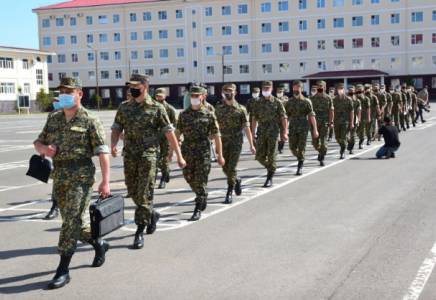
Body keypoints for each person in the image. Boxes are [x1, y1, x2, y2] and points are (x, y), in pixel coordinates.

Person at [34, 77, 111, 289]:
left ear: (79, 94)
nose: (64, 94)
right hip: (59, 176)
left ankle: (63, 270)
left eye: (69, 91)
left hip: (81, 177)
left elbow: (102, 152)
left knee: (70, 223)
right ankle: (99, 243)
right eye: (62, 91)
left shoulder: (90, 119)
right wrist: (44, 150)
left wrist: (106, 181)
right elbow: (38, 141)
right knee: (73, 221)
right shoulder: (54, 118)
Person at [111, 74, 186, 249]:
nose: (132, 88)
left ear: (145, 86)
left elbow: (169, 132)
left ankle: (139, 231)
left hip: (149, 152)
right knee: (132, 189)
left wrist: (179, 155)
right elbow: (116, 128)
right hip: (129, 152)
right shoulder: (124, 107)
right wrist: (114, 144)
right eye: (131, 86)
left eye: (136, 85)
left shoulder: (156, 108)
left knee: (145, 190)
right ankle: (151, 214)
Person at [172, 85, 225, 220]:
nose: (194, 98)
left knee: (201, 179)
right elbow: (177, 134)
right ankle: (202, 195)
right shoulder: (183, 115)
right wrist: (171, 152)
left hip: (203, 151)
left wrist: (220, 155)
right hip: (187, 150)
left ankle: (198, 205)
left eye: (197, 96)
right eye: (192, 96)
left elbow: (217, 135)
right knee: (188, 176)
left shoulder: (209, 114)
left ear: (202, 97)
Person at [215, 83, 256, 203]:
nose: (228, 93)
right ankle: (236, 179)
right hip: (223, 140)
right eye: (225, 91)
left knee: (232, 167)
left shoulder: (241, 109)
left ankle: (229, 192)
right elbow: (215, 126)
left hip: (236, 140)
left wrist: (251, 144)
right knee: (224, 166)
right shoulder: (219, 108)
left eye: (230, 91)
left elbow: (247, 128)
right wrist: (213, 137)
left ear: (235, 93)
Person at [251, 81, 287, 187]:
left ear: (271, 89)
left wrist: (285, 132)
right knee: (259, 156)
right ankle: (271, 167)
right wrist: (253, 133)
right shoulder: (257, 103)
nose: (266, 90)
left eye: (268, 89)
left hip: (273, 132)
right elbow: (254, 119)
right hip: (261, 131)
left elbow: (283, 117)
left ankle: (269, 177)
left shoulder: (277, 102)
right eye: (264, 89)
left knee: (272, 156)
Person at [285, 81, 318, 175]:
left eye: (298, 87)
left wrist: (315, 129)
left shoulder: (307, 101)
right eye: (294, 87)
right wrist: (285, 130)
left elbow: (311, 115)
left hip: (303, 126)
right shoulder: (289, 102)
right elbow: (286, 117)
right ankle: (301, 157)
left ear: (301, 89)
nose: (296, 89)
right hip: (293, 126)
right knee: (292, 147)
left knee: (301, 146)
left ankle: (300, 165)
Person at [153, 88, 178, 189]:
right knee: (155, 159)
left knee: (165, 158)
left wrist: (176, 139)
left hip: (166, 137)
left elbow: (176, 125)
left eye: (161, 96)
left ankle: (163, 176)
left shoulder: (170, 109)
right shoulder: (152, 107)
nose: (159, 97)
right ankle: (166, 172)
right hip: (154, 137)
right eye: (157, 96)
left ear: (165, 96)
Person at [44, 91, 62, 220]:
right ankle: (55, 207)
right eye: (54, 101)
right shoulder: (52, 116)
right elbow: (45, 136)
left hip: (74, 159)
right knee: (56, 184)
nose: (55, 103)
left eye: (57, 101)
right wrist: (43, 151)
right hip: (57, 157)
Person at [310, 80, 334, 166]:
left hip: (325, 123)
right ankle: (320, 152)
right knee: (315, 143)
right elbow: (309, 112)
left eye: (321, 86)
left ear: (324, 87)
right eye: (318, 86)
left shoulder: (328, 98)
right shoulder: (311, 99)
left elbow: (331, 111)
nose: (320, 87)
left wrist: (331, 122)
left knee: (324, 143)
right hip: (314, 123)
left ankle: (322, 157)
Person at [333, 83, 354, 159]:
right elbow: (332, 111)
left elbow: (351, 111)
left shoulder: (348, 100)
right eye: (339, 88)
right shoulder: (334, 100)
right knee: (337, 137)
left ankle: (342, 152)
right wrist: (331, 121)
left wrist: (352, 122)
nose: (340, 89)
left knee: (343, 137)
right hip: (337, 120)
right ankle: (349, 142)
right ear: (337, 89)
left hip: (346, 120)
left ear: (344, 90)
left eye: (342, 88)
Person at [355, 84, 371, 149]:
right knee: (356, 130)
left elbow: (368, 108)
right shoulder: (354, 98)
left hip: (363, 116)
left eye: (361, 90)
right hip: (355, 115)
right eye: (358, 90)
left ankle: (361, 141)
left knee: (362, 129)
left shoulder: (366, 99)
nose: (360, 92)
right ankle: (360, 137)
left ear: (363, 91)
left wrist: (368, 117)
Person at [347, 86, 361, 154]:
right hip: (345, 119)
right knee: (345, 135)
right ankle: (348, 143)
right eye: (349, 90)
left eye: (352, 90)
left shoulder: (357, 101)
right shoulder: (345, 99)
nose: (351, 92)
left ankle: (351, 147)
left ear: (354, 91)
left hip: (354, 118)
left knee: (353, 135)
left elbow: (359, 111)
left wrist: (358, 120)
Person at [276, 85, 289, 154]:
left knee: (283, 133)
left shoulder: (286, 100)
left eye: (281, 91)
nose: (279, 93)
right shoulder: (274, 100)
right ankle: (278, 145)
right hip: (276, 119)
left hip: (283, 120)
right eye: (278, 91)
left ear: (283, 92)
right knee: (276, 134)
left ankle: (281, 147)